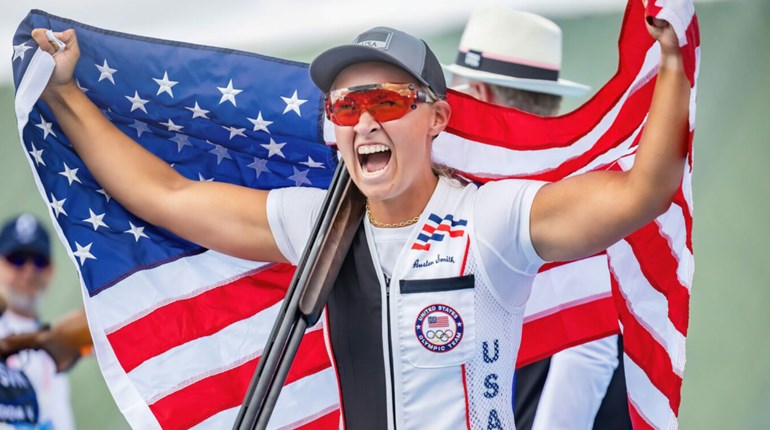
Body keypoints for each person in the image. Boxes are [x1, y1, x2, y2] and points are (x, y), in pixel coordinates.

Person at [29, 9, 689, 428]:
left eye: (388, 100)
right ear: (334, 130)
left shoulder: (493, 217)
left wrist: (671, 66)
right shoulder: (317, 222)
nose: (366, 120)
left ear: (438, 117)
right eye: (346, 107)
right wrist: (63, 94)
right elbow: (165, 196)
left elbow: (640, 196)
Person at [444, 7, 630, 430]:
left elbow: (589, 349)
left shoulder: (548, 196)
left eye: (459, 92)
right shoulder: (580, 190)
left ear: (480, 95)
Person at [0, 213, 75, 429]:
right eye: (17, 258)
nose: (29, 270)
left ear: (52, 270)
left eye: (39, 260)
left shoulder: (53, 344)